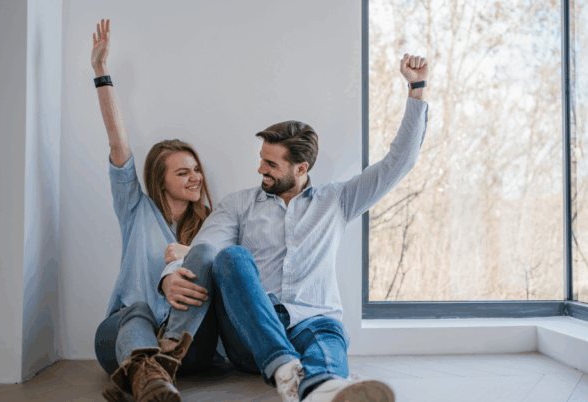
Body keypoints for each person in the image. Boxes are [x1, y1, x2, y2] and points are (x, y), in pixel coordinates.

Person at [158, 52, 430, 402]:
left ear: (300, 169)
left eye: (270, 164)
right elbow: (205, 250)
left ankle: (320, 389)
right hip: (252, 332)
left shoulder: (338, 200)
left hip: (313, 321)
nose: (260, 169)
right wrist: (169, 273)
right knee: (232, 257)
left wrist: (417, 90)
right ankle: (287, 366)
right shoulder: (239, 205)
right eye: (261, 159)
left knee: (326, 338)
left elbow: (399, 163)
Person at [89, 19, 219, 402]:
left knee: (207, 260)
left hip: (188, 344)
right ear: (160, 182)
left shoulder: (212, 224)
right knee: (138, 310)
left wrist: (189, 254)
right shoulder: (136, 209)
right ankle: (152, 378)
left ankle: (146, 376)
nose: (195, 178)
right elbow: (118, 142)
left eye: (196, 169)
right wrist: (101, 72)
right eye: (183, 172)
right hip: (125, 333)